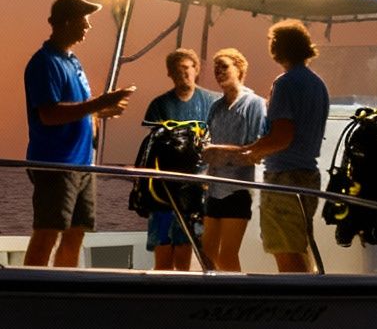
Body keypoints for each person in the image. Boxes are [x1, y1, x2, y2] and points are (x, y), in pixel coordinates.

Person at [23, 0, 136, 267]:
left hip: (83, 165)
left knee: (76, 234)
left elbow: (78, 107)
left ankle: (65, 291)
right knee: (47, 234)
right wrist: (100, 102)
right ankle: (32, 298)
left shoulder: (73, 61)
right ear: (66, 22)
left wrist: (101, 110)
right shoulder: (44, 62)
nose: (88, 26)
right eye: (84, 20)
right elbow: (48, 114)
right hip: (56, 164)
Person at [230, 20, 329, 273]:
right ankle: (308, 300)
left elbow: (282, 136)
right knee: (299, 245)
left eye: (272, 41)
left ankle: (297, 307)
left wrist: (250, 153)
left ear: (279, 47)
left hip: (284, 178)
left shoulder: (285, 84)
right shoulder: (318, 85)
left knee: (285, 249)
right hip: (308, 176)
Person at [140, 48, 218, 270]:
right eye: (176, 70)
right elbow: (153, 144)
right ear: (169, 74)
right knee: (163, 247)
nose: (182, 74)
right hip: (163, 187)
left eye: (186, 68)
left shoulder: (212, 102)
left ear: (196, 70)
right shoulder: (159, 105)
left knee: (186, 245)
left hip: (196, 188)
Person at [199, 47, 268, 272]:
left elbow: (255, 146)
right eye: (216, 69)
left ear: (239, 69)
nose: (219, 72)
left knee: (228, 254)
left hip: (238, 188)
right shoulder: (215, 107)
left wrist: (218, 150)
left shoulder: (254, 104)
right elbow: (205, 139)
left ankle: (238, 299)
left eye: (225, 67)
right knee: (206, 253)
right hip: (214, 187)